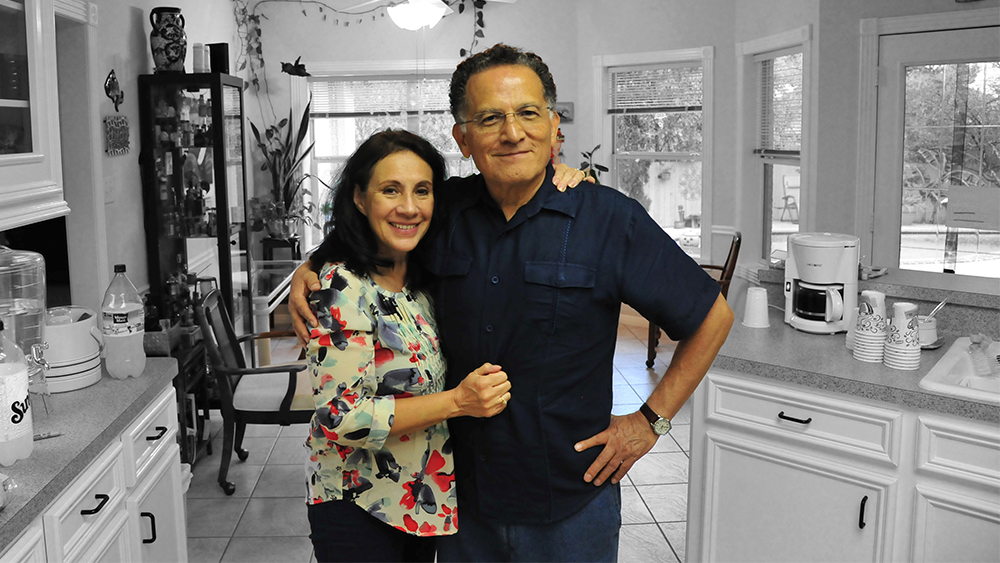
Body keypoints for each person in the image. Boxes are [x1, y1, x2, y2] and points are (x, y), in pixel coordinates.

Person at [292, 44, 734, 562]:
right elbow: (375, 230)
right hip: (461, 506)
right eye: (490, 118)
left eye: (528, 113)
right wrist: (313, 266)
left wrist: (648, 422)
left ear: (552, 125)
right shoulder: (443, 211)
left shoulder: (608, 219)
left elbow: (713, 317)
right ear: (463, 138)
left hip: (572, 504)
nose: (512, 132)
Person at [304, 129, 515, 563]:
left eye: (422, 190)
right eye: (390, 190)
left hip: (417, 500)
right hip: (357, 503)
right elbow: (341, 418)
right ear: (360, 199)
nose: (409, 207)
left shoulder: (421, 275)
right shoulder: (341, 287)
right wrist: (458, 402)